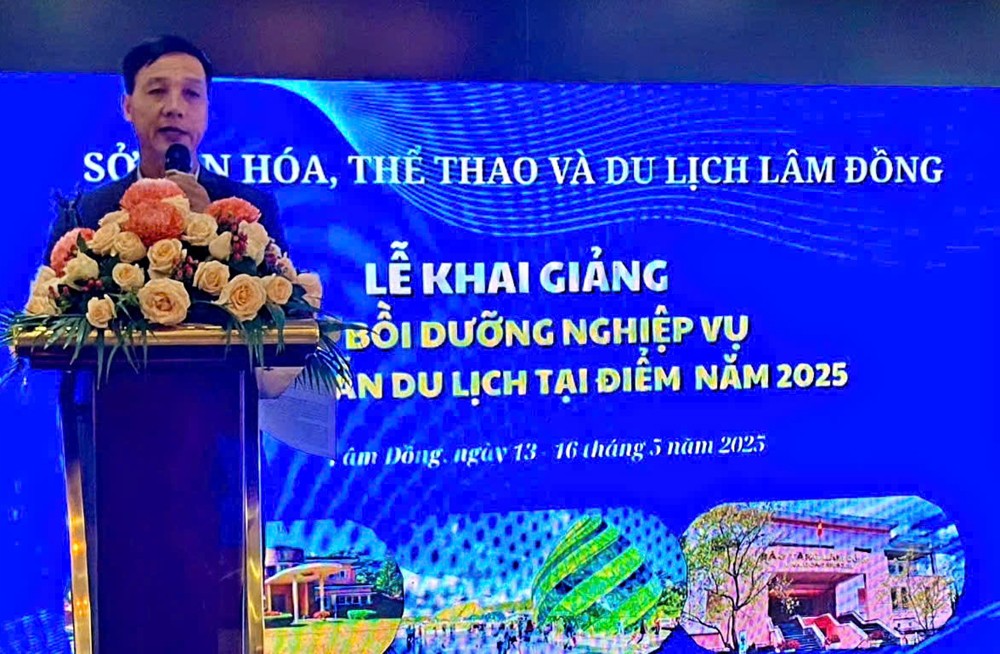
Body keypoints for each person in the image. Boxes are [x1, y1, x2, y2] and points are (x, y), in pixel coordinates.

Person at [45, 34, 287, 258]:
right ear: (127, 107)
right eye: (157, 91)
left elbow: (283, 291)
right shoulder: (83, 215)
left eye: (191, 93)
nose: (174, 108)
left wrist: (214, 228)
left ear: (207, 109)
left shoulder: (254, 212)